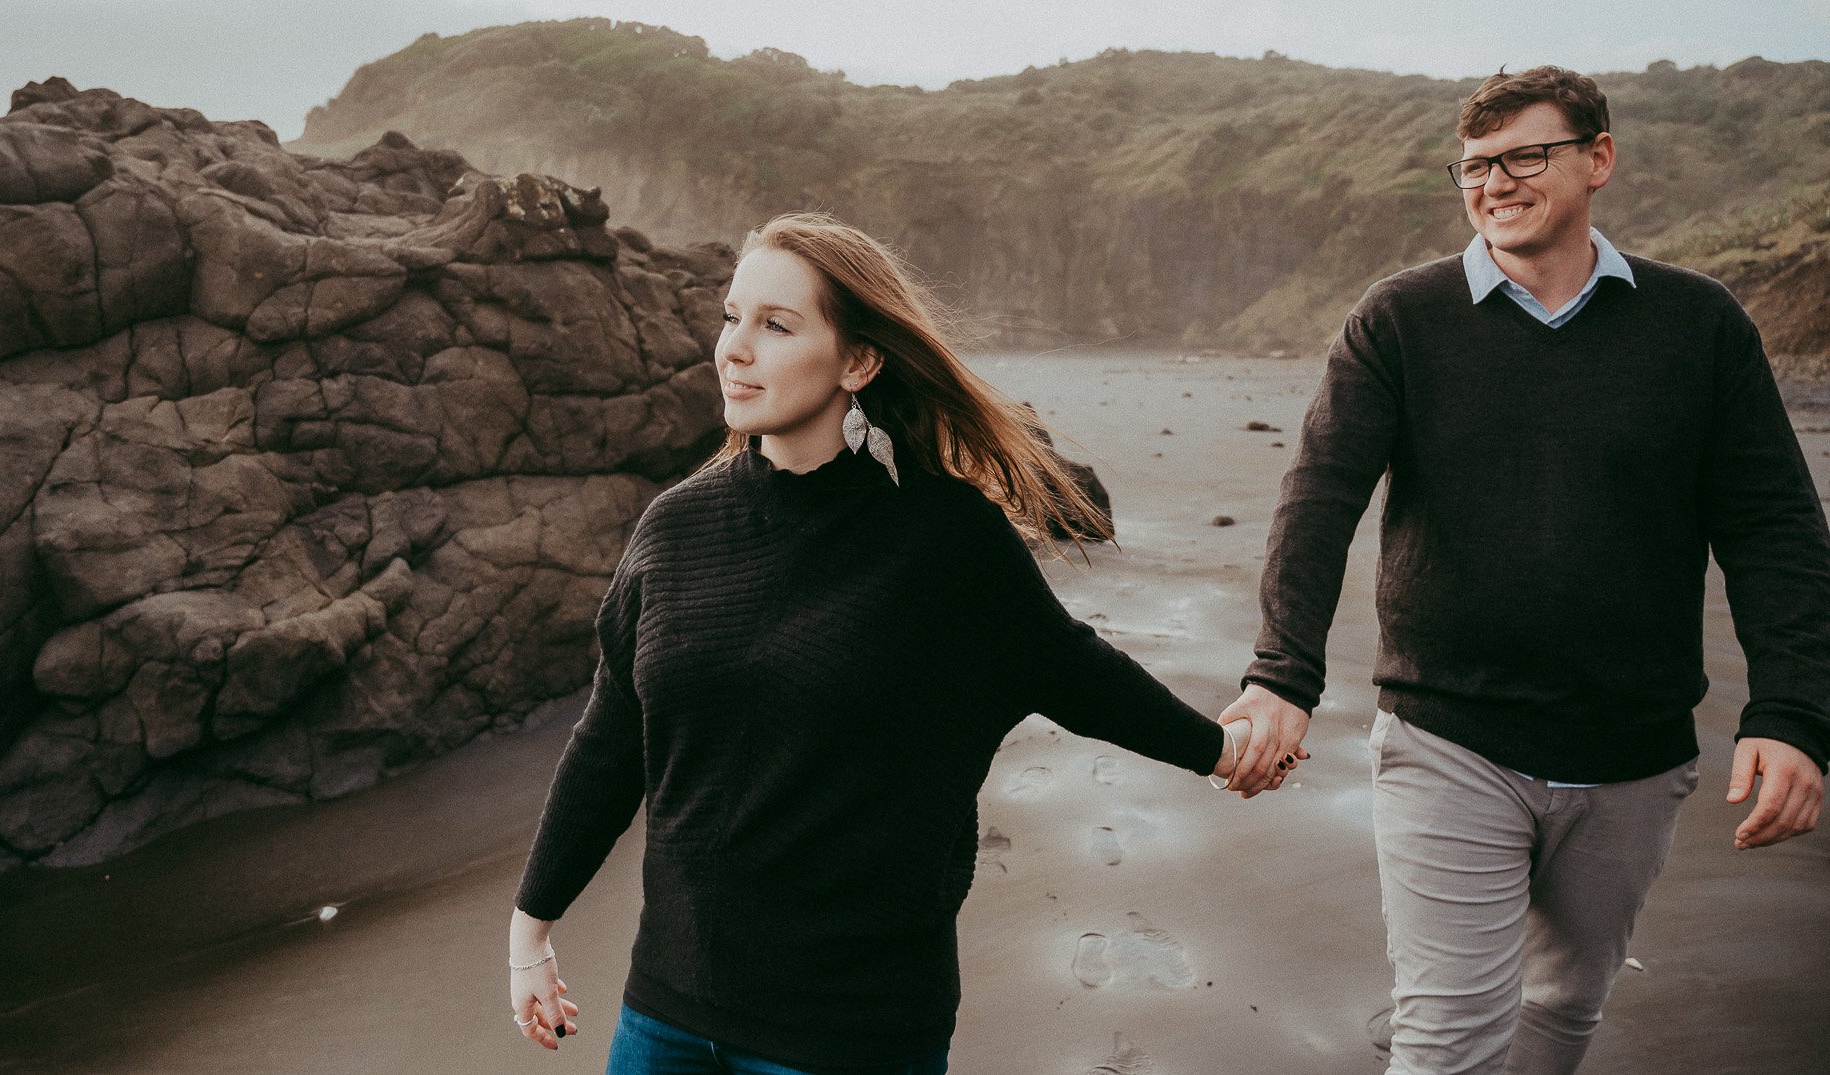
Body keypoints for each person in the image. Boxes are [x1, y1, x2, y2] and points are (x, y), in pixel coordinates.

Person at [507, 213, 1255, 1072]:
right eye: (730, 316)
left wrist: (1221, 751)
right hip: (667, 1013)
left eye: (775, 325)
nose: (734, 348)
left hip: (850, 1030)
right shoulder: (674, 527)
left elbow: (1076, 671)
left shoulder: (941, 539)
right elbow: (609, 739)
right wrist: (533, 928)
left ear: (859, 361)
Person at [1219, 66, 1830, 1074]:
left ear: (1597, 158)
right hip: (1445, 734)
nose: (1492, 181)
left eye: (1521, 156)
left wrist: (1792, 711)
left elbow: (1772, 527)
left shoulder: (1697, 326)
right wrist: (1280, 674)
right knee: (1447, 1039)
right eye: (1472, 166)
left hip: (1630, 751)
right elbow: (1318, 495)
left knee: (1558, 1009)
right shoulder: (1399, 319)